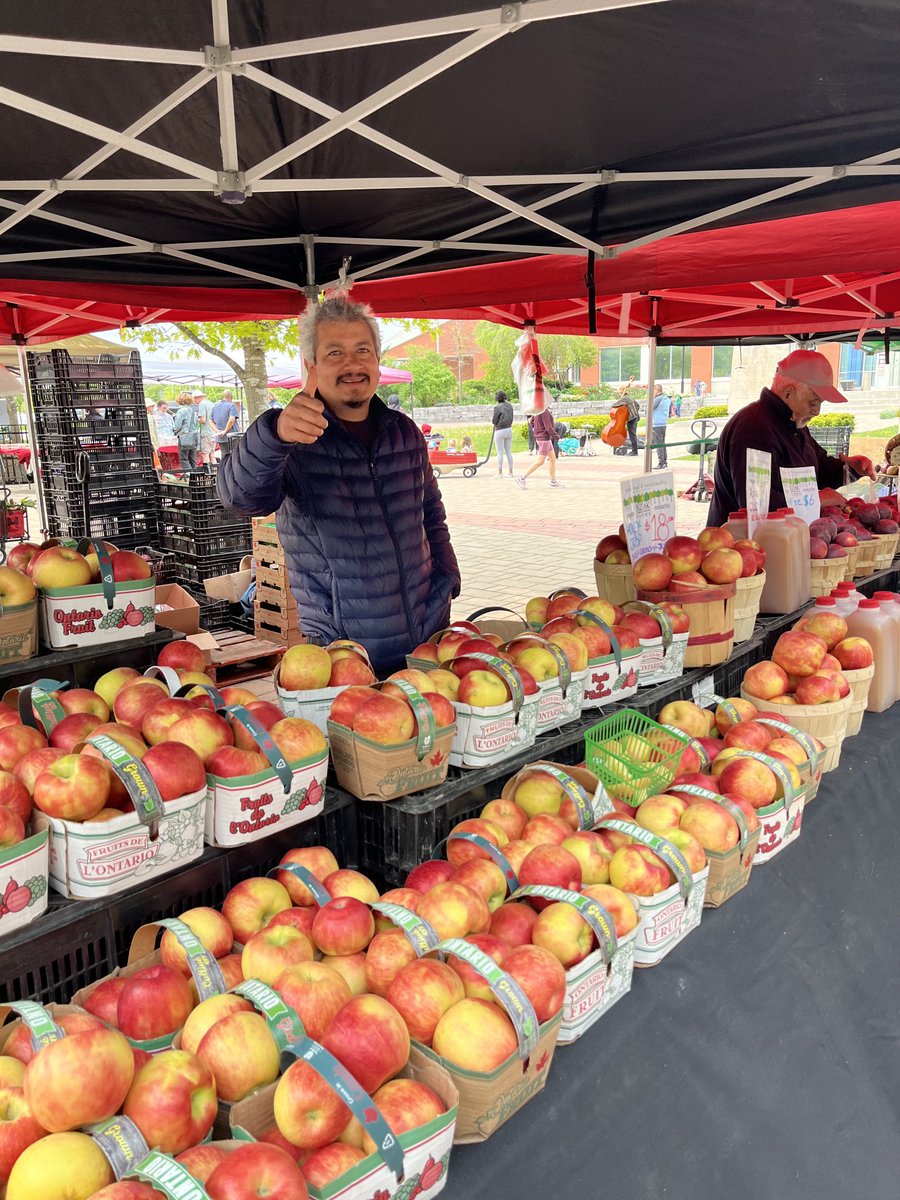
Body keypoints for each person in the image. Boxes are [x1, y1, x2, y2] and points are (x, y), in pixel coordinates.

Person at [217, 293, 460, 676]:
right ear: (310, 366)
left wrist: (447, 577)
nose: (352, 363)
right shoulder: (293, 437)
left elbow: (430, 511)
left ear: (378, 361)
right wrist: (274, 433)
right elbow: (240, 497)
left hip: (426, 638)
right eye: (335, 353)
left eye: (363, 350)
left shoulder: (403, 432)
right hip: (344, 653)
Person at [708, 350, 876, 525]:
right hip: (743, 546)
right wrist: (817, 499)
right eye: (813, 402)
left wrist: (850, 469)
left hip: (782, 539)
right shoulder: (754, 428)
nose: (817, 411)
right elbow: (757, 503)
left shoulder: (794, 424)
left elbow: (818, 471)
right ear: (788, 393)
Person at [516, 406, 561, 489]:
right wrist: (558, 437)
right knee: (540, 462)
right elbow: (548, 427)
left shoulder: (538, 411)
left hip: (543, 438)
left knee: (552, 459)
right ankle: (522, 478)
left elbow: (531, 421)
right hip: (544, 439)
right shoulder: (544, 412)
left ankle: (553, 481)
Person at [172, 390, 200, 475]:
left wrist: (174, 431)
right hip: (194, 437)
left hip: (184, 437)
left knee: (184, 458)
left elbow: (177, 426)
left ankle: (189, 476)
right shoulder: (193, 411)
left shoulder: (181, 411)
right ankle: (196, 476)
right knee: (192, 458)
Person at [492, 388, 515, 476]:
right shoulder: (510, 405)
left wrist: (495, 423)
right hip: (509, 429)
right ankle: (510, 472)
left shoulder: (497, 407)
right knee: (508, 451)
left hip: (500, 430)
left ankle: (500, 473)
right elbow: (511, 417)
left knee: (500, 452)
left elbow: (494, 421)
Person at [194, 389, 217, 471]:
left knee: (205, 454)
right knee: (212, 454)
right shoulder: (211, 403)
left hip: (206, 433)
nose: (194, 401)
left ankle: (208, 474)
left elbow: (203, 420)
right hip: (214, 432)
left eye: (194, 398)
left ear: (198, 398)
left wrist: (197, 419)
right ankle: (215, 473)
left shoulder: (202, 404)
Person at [651, 384, 669, 469]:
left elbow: (650, 407)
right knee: (662, 443)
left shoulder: (658, 398)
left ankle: (661, 463)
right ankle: (664, 462)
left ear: (656, 390)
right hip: (663, 423)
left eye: (653, 390)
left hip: (657, 423)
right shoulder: (666, 398)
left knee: (659, 444)